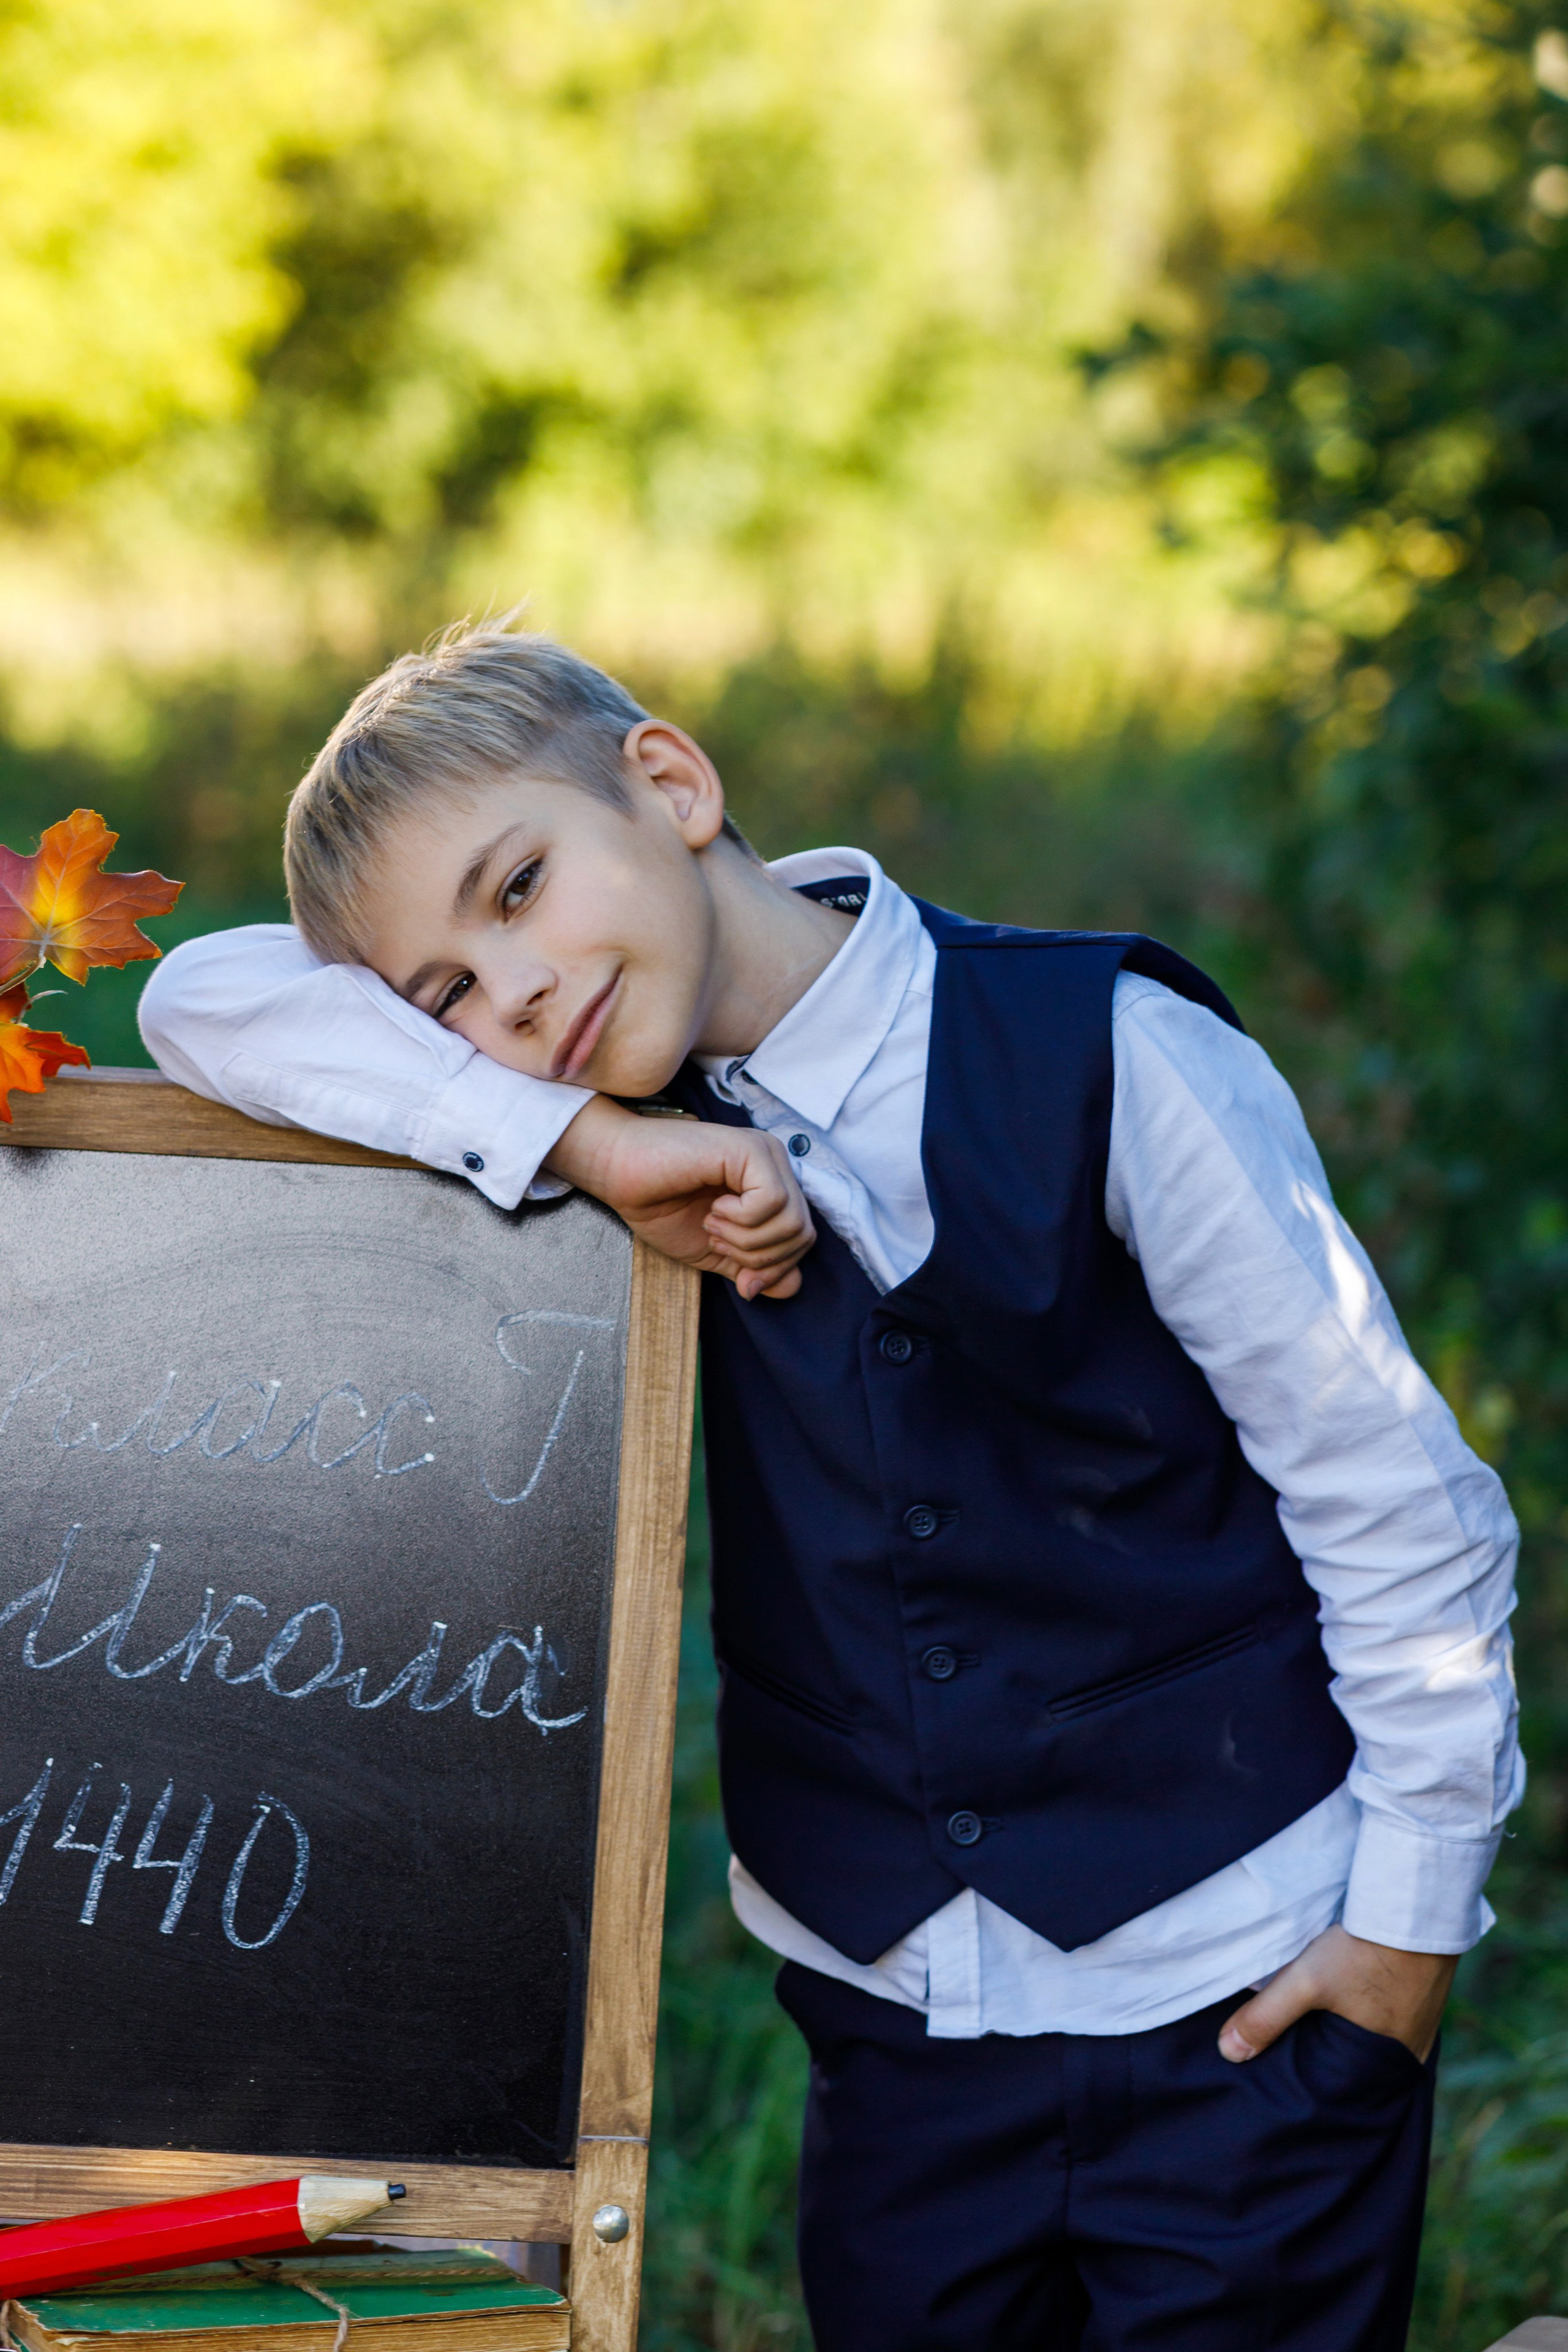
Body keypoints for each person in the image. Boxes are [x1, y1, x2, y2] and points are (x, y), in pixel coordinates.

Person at [140, 620, 1522, 2352]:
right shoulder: (596, 1131)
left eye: (519, 890)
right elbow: (197, 998)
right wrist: (586, 1143)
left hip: (1243, 1970)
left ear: (669, 781)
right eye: (450, 1000)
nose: (516, 1000)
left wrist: (1408, 1928)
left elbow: (1395, 1498)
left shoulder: (1109, 1052)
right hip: (896, 2021)